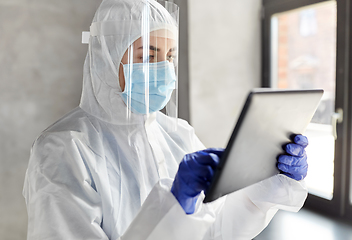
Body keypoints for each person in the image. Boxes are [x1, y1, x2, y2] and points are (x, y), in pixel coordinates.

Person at [23, 0, 309, 239]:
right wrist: (173, 204)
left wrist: (270, 177)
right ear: (107, 58)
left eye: (169, 56)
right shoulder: (63, 149)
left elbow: (218, 231)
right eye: (148, 56)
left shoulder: (178, 133)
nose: (163, 70)